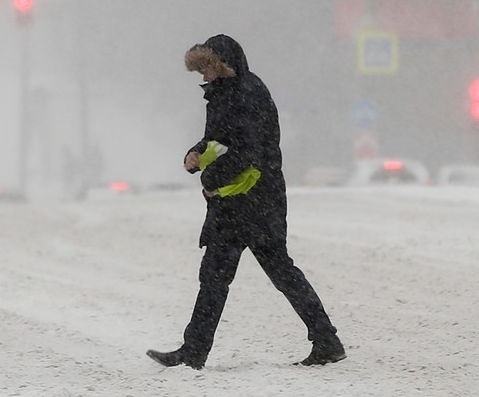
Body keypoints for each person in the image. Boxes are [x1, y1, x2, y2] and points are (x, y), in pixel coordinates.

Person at [147, 34, 345, 370]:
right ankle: (195, 350)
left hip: (255, 203)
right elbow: (218, 142)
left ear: (223, 64)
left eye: (207, 67)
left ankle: (325, 340)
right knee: (217, 276)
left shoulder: (248, 93)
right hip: (236, 204)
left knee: (277, 272)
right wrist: (195, 152)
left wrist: (212, 178)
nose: (203, 76)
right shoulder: (223, 95)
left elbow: (248, 151)